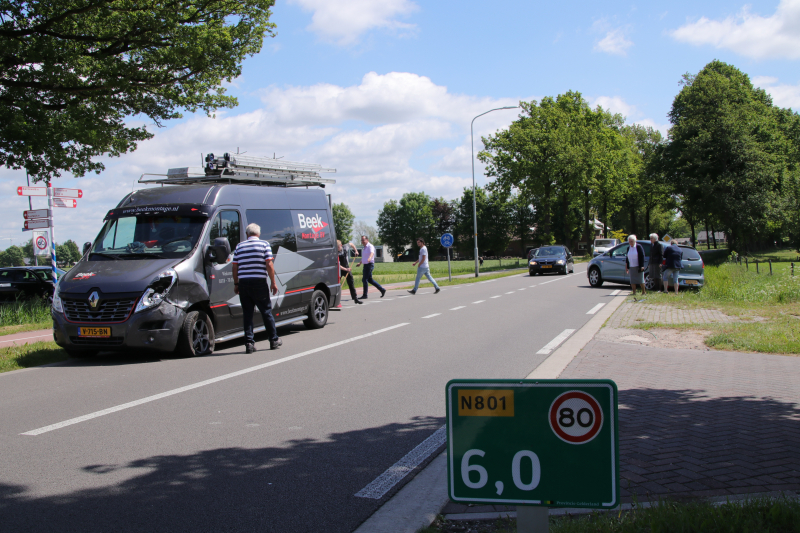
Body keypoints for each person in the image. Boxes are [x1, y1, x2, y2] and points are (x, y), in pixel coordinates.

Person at [232, 223, 282, 353]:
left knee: (247, 314)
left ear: (247, 234)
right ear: (258, 234)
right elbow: (269, 264)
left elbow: (234, 267)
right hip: (259, 282)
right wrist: (273, 282)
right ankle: (273, 340)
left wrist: (236, 284)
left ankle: (249, 343)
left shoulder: (239, 246)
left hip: (243, 283)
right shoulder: (264, 245)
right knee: (266, 311)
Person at [337, 240, 362, 304]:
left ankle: (355, 298)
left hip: (347, 267)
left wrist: (356, 251)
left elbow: (351, 244)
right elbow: (337, 264)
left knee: (351, 283)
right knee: (337, 285)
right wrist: (345, 269)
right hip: (339, 269)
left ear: (341, 245)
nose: (337, 249)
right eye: (336, 247)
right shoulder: (334, 253)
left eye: (338, 247)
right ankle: (336, 301)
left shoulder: (345, 247)